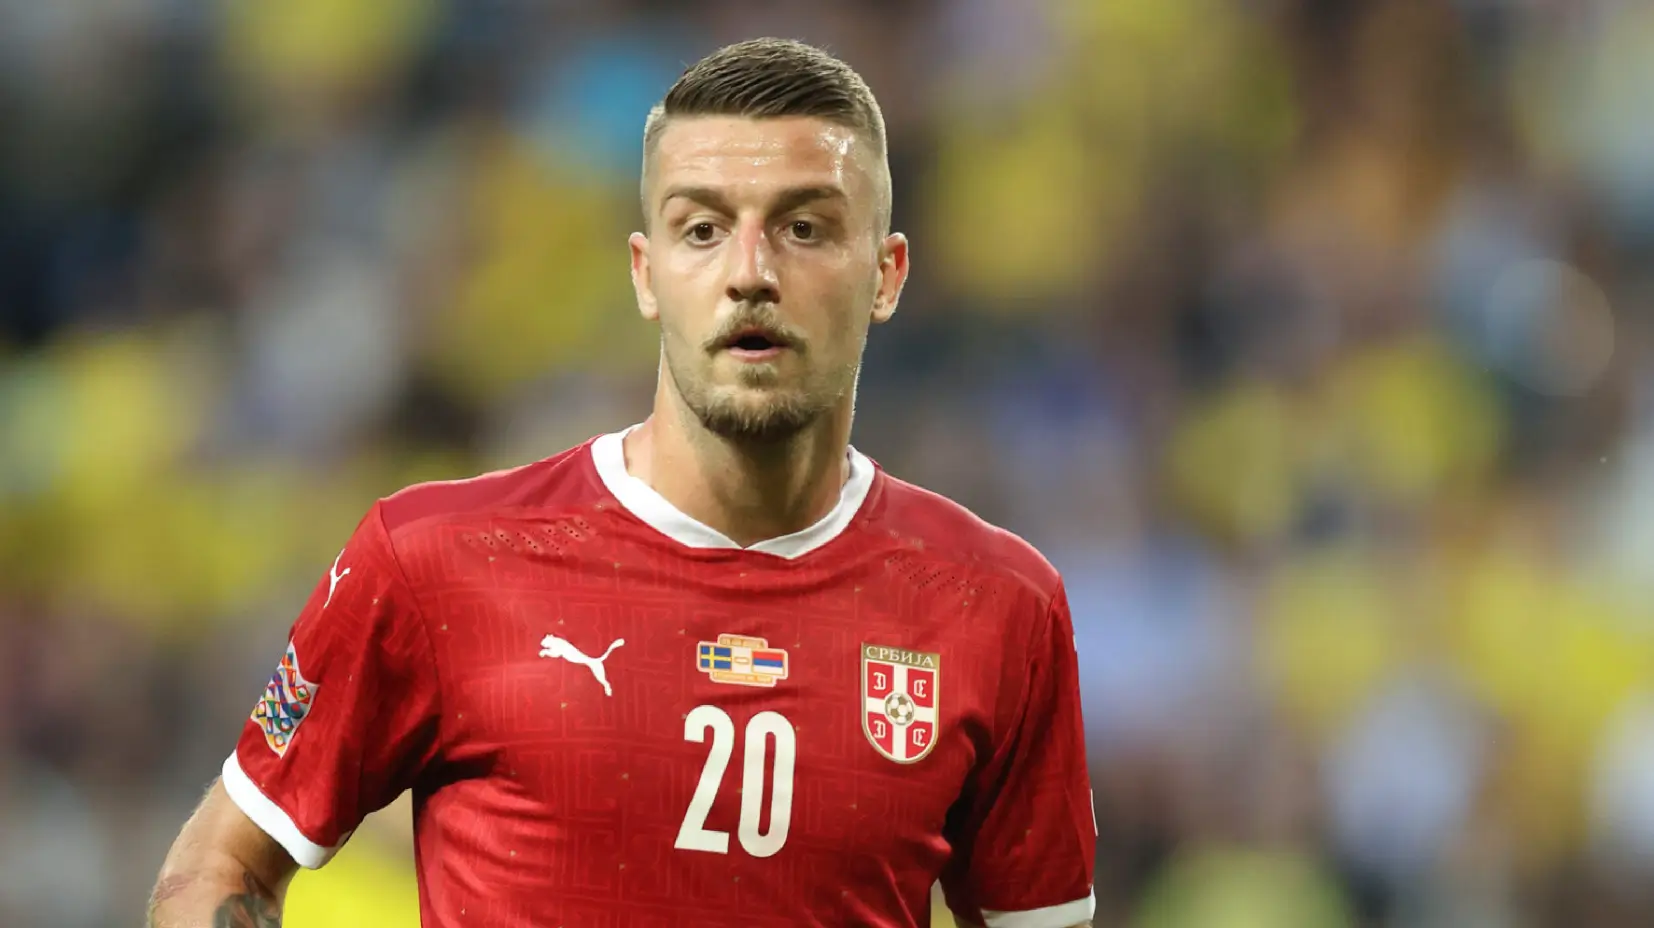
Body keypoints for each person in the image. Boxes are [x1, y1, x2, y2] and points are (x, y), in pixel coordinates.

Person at [150, 37, 1096, 928]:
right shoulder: (435, 562)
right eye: (702, 229)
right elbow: (219, 870)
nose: (751, 273)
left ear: (886, 275)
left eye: (804, 228)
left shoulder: (999, 608)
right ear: (647, 275)